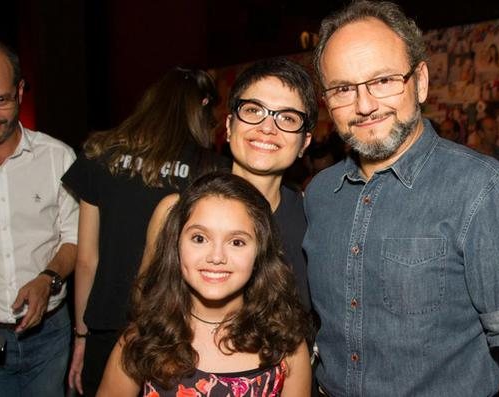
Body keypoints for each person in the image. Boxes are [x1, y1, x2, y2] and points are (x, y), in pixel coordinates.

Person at [305, 2, 499, 396]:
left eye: (383, 80)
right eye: (343, 89)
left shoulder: (483, 190)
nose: (364, 105)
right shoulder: (319, 194)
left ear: (420, 81)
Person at [62, 67, 225, 395]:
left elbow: (87, 259)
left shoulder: (100, 154)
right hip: (172, 329)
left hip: (105, 325)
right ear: (204, 106)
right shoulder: (211, 169)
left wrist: (80, 335)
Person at [97, 172, 311, 396]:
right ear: (176, 244)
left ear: (260, 252)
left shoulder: (285, 345)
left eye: (237, 242)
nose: (216, 257)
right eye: (199, 238)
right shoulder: (144, 338)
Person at [142, 57, 316, 316]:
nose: (267, 128)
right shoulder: (176, 212)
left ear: (305, 142)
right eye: (253, 110)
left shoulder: (313, 223)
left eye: (288, 118)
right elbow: (146, 308)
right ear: (229, 126)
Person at [0, 41, 78, 396]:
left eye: (1, 100)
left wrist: (49, 278)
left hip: (48, 335)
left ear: (19, 90)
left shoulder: (57, 157)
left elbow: (75, 238)